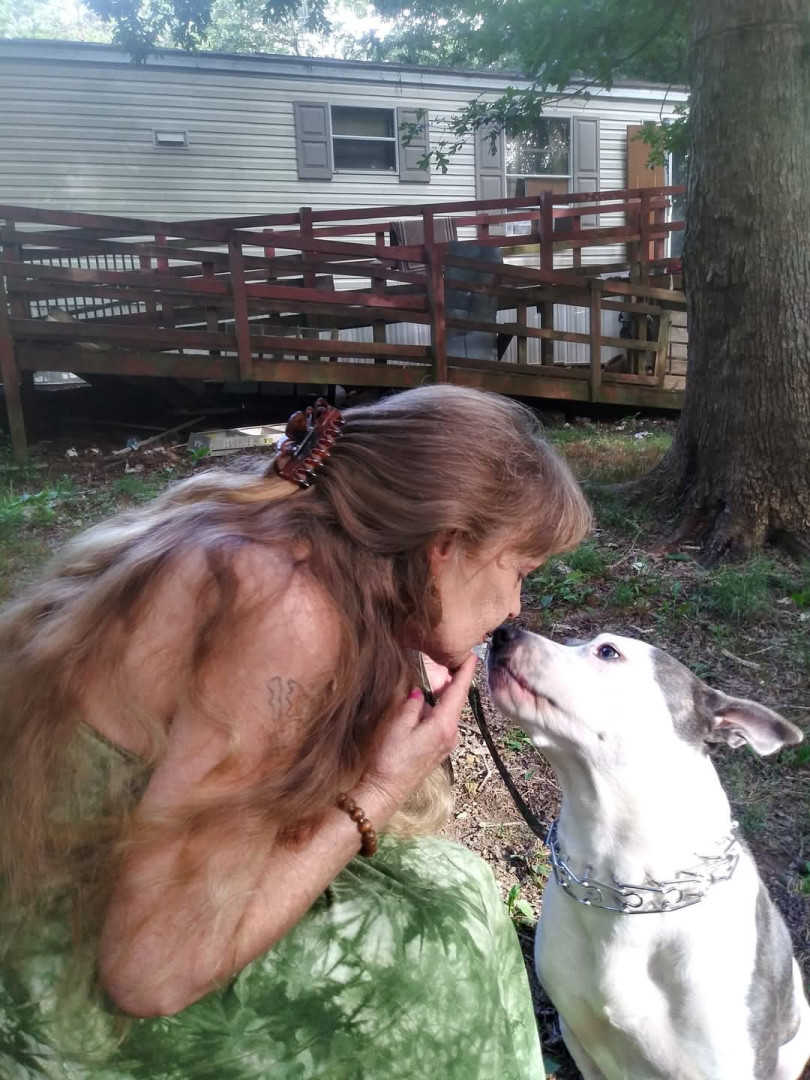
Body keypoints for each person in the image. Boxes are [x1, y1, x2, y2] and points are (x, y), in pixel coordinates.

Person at [0, 385, 591, 1080]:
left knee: (453, 879)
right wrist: (379, 789)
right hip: (51, 974)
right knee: (444, 948)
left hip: (82, 876)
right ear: (447, 546)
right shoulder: (286, 611)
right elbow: (149, 975)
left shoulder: (269, 537)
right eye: (520, 571)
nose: (516, 606)